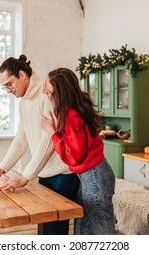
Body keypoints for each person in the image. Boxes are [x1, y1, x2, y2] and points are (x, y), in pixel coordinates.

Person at [0, 55, 79, 235]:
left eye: (9, 84)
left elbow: (49, 142)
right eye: (4, 86)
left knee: (55, 233)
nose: (8, 90)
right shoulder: (24, 102)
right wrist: (1, 169)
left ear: (22, 75)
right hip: (45, 174)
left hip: (64, 175)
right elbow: (21, 139)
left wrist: (25, 176)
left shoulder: (47, 95)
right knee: (44, 230)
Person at [40, 67, 116, 235]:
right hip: (90, 175)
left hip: (95, 176)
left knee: (102, 231)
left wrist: (52, 133)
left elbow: (73, 157)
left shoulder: (72, 116)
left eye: (50, 92)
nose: (47, 95)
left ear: (61, 94)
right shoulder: (72, 111)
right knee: (83, 229)